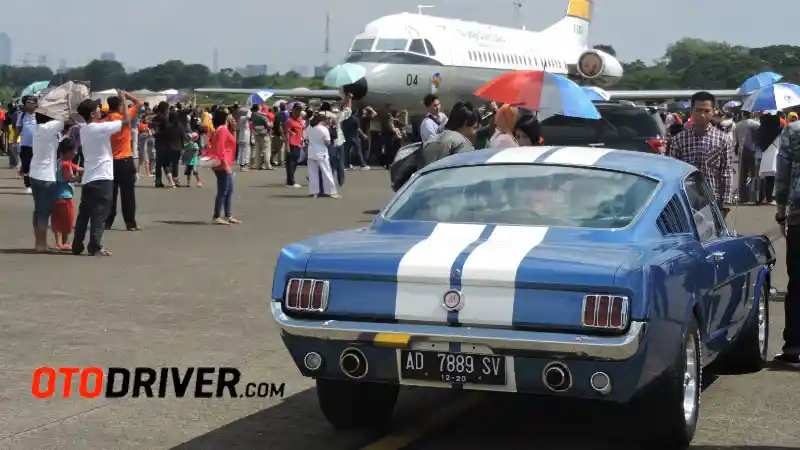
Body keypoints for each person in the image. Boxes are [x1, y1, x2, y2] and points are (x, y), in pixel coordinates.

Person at [73, 94, 131, 257]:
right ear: (92, 114)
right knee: (100, 213)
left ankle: (77, 245)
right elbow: (126, 122)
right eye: (97, 108)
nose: (100, 109)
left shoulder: (84, 129)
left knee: (84, 214)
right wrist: (124, 102)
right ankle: (95, 246)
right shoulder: (99, 127)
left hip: (89, 177)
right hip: (102, 176)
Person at [667, 91, 732, 212]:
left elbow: (726, 171)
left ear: (713, 112)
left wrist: (726, 201)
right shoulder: (679, 140)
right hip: (686, 199)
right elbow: (672, 172)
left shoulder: (723, 139)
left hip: (713, 198)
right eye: (698, 110)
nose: (702, 115)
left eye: (706, 111)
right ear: (691, 111)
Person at [775, 114, 800, 366]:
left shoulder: (793, 131)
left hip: (798, 215)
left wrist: (781, 212)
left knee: (798, 283)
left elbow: (782, 176)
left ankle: (794, 348)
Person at [104, 91, 143, 231]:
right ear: (120, 106)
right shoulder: (123, 118)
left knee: (111, 194)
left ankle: (107, 221)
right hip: (125, 159)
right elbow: (139, 103)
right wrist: (125, 96)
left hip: (110, 161)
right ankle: (130, 223)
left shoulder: (106, 121)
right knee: (128, 194)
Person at [29, 110, 65, 251]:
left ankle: (39, 242)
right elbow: (64, 119)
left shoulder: (39, 129)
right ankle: (41, 244)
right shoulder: (47, 128)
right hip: (45, 176)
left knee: (38, 210)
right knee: (44, 211)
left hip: (36, 173)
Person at [418, 101, 479, 169]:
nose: (475, 132)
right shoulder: (462, 143)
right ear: (465, 123)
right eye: (474, 128)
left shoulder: (430, 142)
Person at [207, 108, 239, 225]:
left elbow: (233, 143)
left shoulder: (224, 129)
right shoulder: (221, 130)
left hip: (225, 162)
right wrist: (225, 165)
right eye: (229, 114)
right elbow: (219, 148)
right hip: (221, 163)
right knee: (223, 190)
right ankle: (216, 216)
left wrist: (234, 129)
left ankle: (228, 215)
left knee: (229, 190)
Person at [52, 140, 83, 249]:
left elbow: (77, 168)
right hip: (64, 197)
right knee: (66, 221)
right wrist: (80, 177)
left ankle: (61, 243)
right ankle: (60, 244)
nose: (75, 153)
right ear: (67, 152)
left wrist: (80, 170)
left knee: (58, 220)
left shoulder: (59, 162)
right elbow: (70, 177)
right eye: (73, 150)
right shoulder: (65, 164)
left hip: (56, 195)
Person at [306, 113, 339, 198]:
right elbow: (327, 142)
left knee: (312, 173)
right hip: (321, 152)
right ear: (323, 120)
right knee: (326, 171)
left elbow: (306, 138)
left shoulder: (309, 128)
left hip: (311, 151)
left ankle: (314, 192)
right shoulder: (323, 129)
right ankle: (330, 191)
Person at [15, 95, 37, 193]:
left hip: (37, 145)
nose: (29, 104)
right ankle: (28, 185)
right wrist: (15, 139)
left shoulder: (39, 115)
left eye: (32, 103)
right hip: (25, 144)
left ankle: (35, 184)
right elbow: (18, 128)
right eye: (28, 102)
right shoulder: (22, 115)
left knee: (35, 165)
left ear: (36, 104)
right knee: (26, 165)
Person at [285, 104, 305, 188]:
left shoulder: (299, 120)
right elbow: (287, 134)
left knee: (295, 163)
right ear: (292, 110)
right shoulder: (290, 121)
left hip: (298, 143)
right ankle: (291, 182)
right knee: (291, 163)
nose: (298, 112)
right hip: (292, 144)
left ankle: (290, 179)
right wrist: (287, 146)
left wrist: (302, 139)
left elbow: (301, 131)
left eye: (299, 110)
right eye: (296, 110)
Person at [249, 104, 272, 170]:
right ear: (258, 108)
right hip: (264, 134)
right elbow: (268, 125)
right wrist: (271, 124)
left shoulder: (252, 115)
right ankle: (268, 165)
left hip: (257, 133)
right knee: (266, 150)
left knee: (258, 150)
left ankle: (258, 165)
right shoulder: (262, 116)